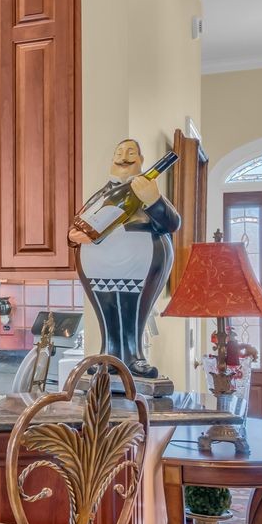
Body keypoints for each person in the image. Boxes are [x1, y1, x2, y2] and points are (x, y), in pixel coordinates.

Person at [67, 137, 179, 385]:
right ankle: (109, 356)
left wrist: (153, 200)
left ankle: (133, 356)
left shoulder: (147, 192)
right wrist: (74, 236)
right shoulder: (104, 193)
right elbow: (80, 223)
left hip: (139, 267)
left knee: (132, 311)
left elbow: (171, 223)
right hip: (99, 269)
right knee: (107, 312)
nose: (123, 156)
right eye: (118, 152)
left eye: (131, 152)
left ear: (141, 161)